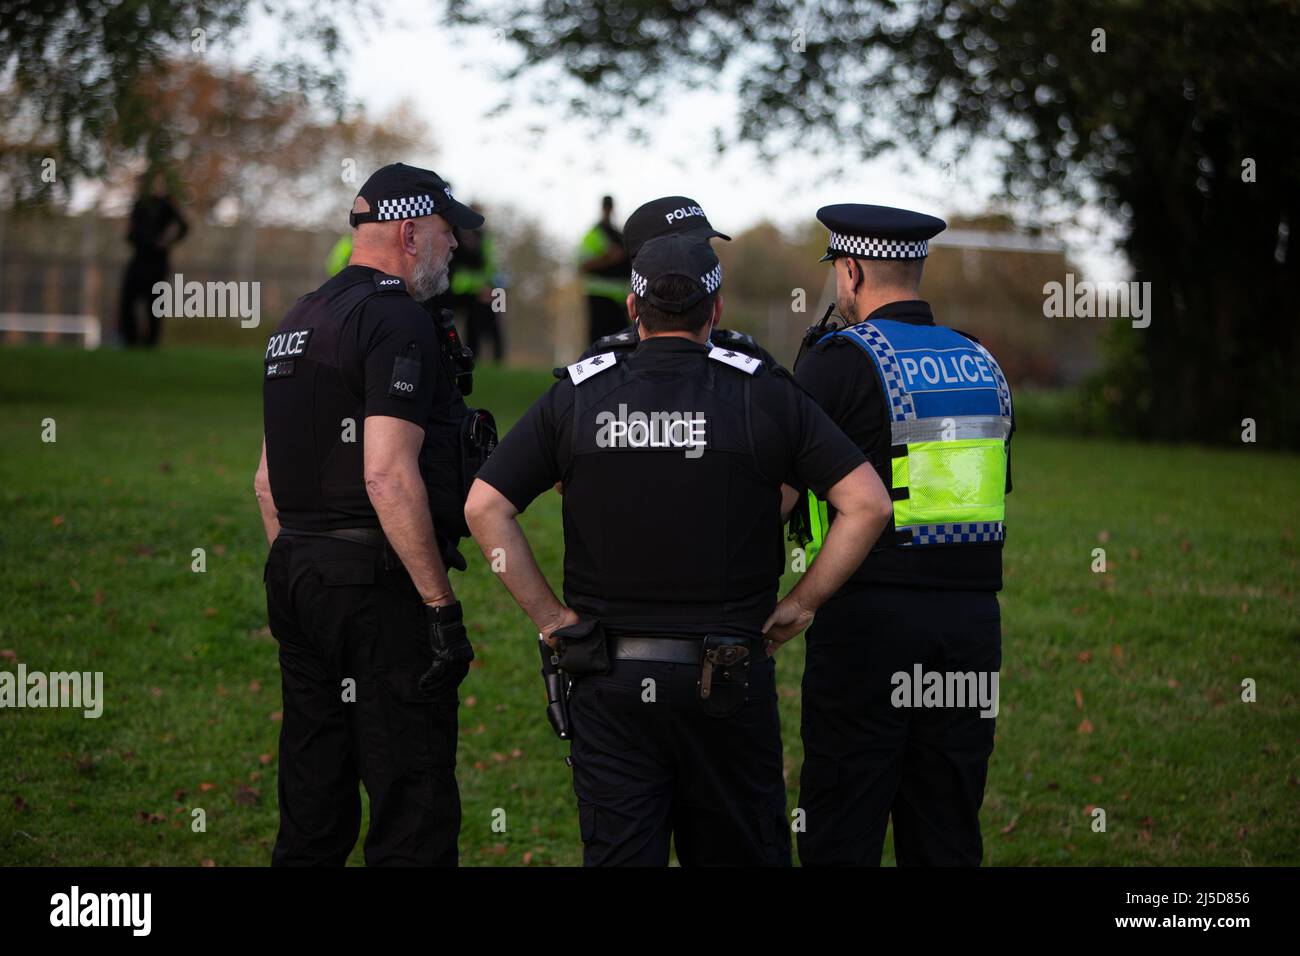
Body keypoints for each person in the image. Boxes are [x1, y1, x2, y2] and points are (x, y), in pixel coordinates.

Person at [465, 233, 893, 866]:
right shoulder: (764, 392)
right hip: (727, 679)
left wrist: (552, 620)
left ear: (634, 311)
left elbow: (484, 507)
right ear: (715, 311)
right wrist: (804, 603)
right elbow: (869, 503)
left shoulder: (579, 394)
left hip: (608, 680)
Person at [253, 163, 486, 866]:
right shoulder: (398, 320)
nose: (456, 252)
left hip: (297, 573)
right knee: (411, 804)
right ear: (412, 232)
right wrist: (439, 606)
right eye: (449, 236)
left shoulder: (299, 318)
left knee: (313, 799)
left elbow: (267, 483)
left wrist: (299, 570)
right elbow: (386, 474)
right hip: (376, 587)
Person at [790, 203, 1016, 867]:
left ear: (853, 271)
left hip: (866, 625)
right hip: (971, 628)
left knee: (840, 825)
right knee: (946, 826)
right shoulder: (985, 365)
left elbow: (778, 490)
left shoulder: (834, 363)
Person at [570, 195, 783, 372]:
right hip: (601, 298)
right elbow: (582, 264)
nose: (703, 259)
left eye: (705, 246)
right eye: (690, 249)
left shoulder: (750, 358)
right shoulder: (600, 364)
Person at [118, 170, 188, 347]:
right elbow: (132, 234)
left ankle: (151, 343)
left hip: (157, 263)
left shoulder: (166, 204)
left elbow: (184, 226)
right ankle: (130, 340)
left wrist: (168, 241)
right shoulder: (138, 204)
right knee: (128, 300)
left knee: (154, 305)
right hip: (139, 259)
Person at [577, 195, 631, 343]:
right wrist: (608, 258)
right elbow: (582, 265)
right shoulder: (594, 234)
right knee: (599, 339)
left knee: (621, 339)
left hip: (620, 296)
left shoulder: (619, 235)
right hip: (599, 294)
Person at [448, 224, 505, 362]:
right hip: (456, 289)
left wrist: (492, 287)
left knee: (490, 322)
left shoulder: (484, 239)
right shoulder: (453, 235)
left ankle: (494, 358)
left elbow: (493, 265)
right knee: (449, 322)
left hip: (482, 290)